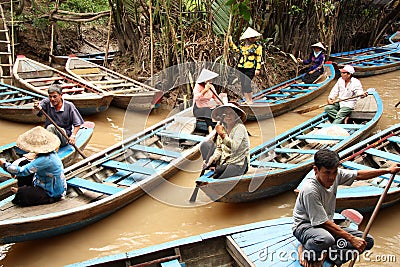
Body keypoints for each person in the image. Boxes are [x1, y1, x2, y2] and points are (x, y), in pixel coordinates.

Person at [293, 149, 400, 267]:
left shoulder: (335, 175)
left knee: (367, 241)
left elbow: (358, 175)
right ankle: (306, 250)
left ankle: (331, 254)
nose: (331, 177)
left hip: (325, 226)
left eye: (334, 172)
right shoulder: (310, 190)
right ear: (316, 170)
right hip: (305, 227)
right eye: (327, 173)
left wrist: (388, 170)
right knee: (325, 239)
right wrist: (351, 238)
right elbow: (322, 222)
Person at [0, 126, 66, 206]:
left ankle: (22, 191)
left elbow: (22, 171)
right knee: (23, 163)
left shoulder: (45, 159)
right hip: (43, 181)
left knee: (22, 194)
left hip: (51, 192)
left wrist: (3, 164)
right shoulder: (51, 153)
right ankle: (25, 188)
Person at [200, 103, 250, 179]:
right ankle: (214, 167)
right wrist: (211, 159)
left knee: (218, 172)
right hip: (225, 160)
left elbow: (234, 147)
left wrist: (222, 134)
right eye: (225, 114)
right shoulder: (223, 127)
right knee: (204, 145)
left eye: (231, 114)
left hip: (238, 163)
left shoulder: (240, 128)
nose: (228, 116)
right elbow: (219, 148)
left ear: (236, 115)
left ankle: (218, 169)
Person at [229, 27, 263, 104]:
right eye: (251, 37)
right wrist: (230, 41)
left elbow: (259, 58)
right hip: (241, 67)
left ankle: (250, 100)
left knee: (247, 83)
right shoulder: (242, 46)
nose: (253, 39)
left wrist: (257, 69)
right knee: (242, 83)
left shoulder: (257, 47)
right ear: (247, 38)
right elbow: (236, 50)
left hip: (250, 67)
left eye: (254, 37)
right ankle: (246, 100)